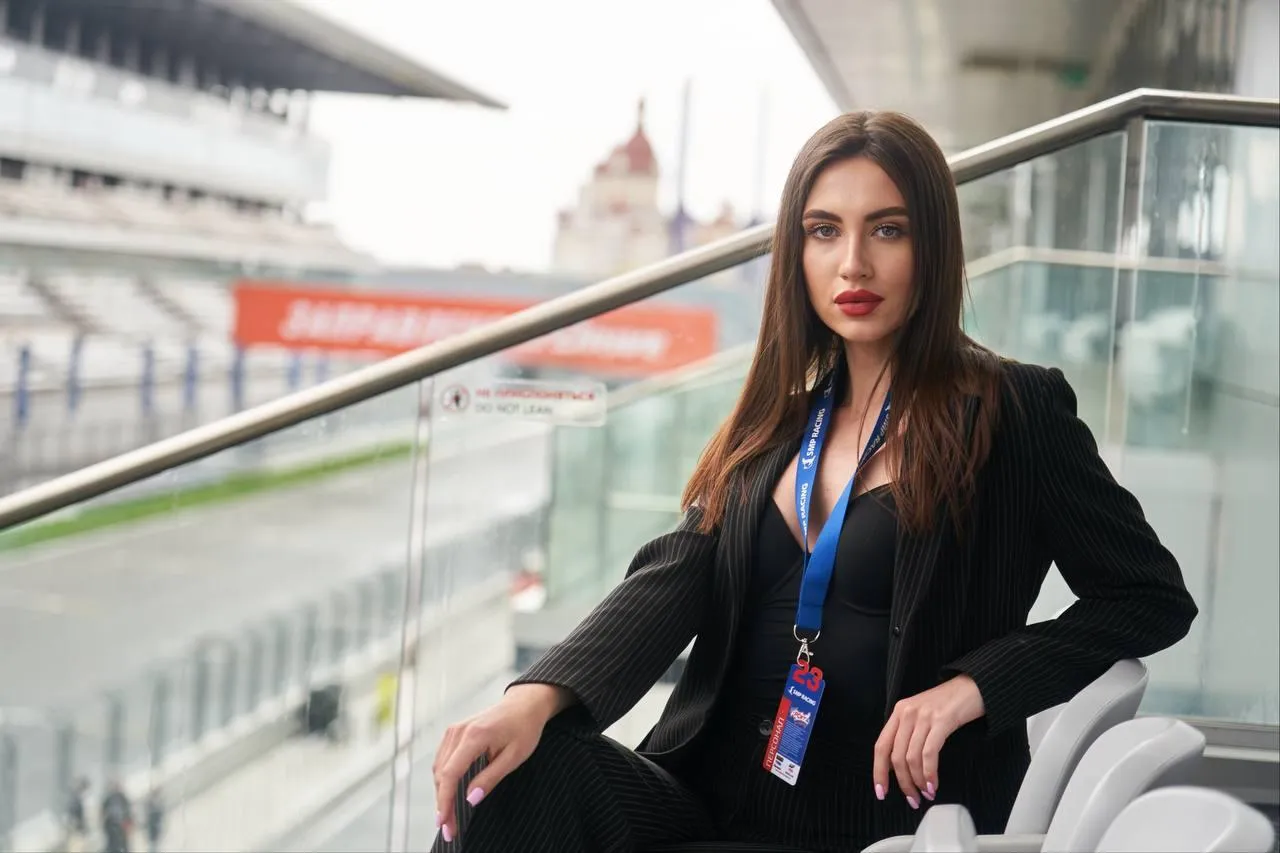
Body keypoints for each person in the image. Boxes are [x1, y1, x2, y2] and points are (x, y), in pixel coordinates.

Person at [429, 110, 1198, 852]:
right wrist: (531, 699)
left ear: (933, 245)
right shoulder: (778, 423)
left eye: (887, 230)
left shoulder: (1012, 410)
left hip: (878, 823)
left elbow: (1147, 596)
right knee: (499, 775)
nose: (852, 263)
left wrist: (977, 685)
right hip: (705, 799)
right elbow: (670, 581)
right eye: (824, 230)